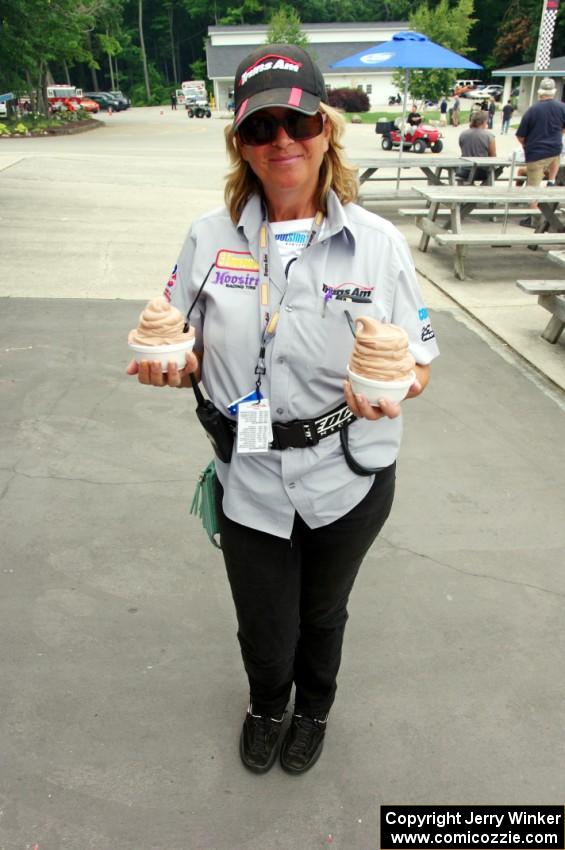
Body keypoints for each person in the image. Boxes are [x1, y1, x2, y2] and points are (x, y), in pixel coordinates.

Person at [126, 44, 439, 776]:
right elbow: (178, 334)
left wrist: (395, 388)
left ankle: (315, 710)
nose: (281, 142)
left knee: (322, 614)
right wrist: (175, 366)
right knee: (265, 626)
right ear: (240, 143)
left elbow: (418, 359)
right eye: (260, 128)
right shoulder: (209, 236)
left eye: (296, 123)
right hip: (249, 473)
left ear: (326, 130)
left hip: (348, 470)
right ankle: (267, 704)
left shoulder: (377, 244)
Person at [516, 77, 565, 227]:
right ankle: (551, 180)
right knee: (555, 158)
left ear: (539, 93)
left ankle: (534, 220)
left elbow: (520, 135)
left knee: (533, 189)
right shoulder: (562, 107)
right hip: (555, 150)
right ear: (554, 92)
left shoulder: (533, 110)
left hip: (536, 153)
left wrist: (526, 145)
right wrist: (557, 136)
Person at [455, 110, 498, 184]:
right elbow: (493, 156)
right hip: (481, 171)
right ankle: (484, 185)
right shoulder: (489, 136)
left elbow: (462, 149)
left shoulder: (463, 134)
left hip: (464, 170)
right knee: (497, 170)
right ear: (484, 122)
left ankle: (470, 186)